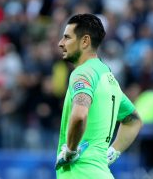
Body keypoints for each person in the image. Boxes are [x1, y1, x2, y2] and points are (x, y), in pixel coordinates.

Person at [55, 13, 143, 179]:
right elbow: (134, 121)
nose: (61, 43)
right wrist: (111, 153)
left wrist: (70, 151)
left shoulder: (82, 73)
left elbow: (80, 115)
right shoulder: (109, 79)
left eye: (67, 37)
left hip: (80, 173)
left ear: (85, 41)